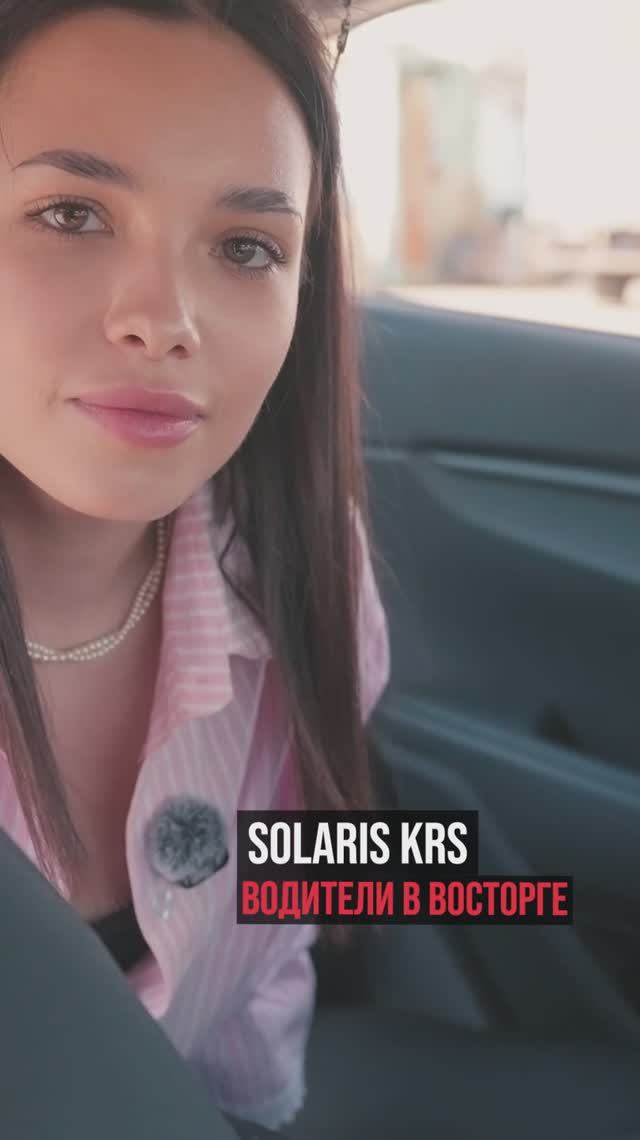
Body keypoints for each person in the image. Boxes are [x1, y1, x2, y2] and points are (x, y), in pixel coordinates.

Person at [0, 0, 390, 1132]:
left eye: (246, 247)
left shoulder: (306, 571)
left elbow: (273, 946)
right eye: (71, 213)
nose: (163, 320)